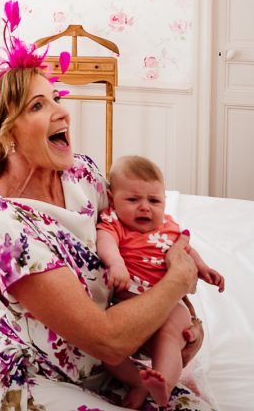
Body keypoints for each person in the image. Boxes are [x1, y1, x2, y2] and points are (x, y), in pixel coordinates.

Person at [0, 1, 210, 410]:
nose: (63, 111)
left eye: (55, 97)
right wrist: (176, 283)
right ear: (7, 133)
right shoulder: (1, 226)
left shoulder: (83, 174)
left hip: (110, 366)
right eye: (38, 106)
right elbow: (106, 337)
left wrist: (180, 320)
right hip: (37, 375)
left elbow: (136, 238)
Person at [96, 155, 225, 408]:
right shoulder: (115, 223)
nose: (145, 207)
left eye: (154, 201)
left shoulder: (168, 226)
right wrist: (117, 264)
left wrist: (204, 269)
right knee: (107, 351)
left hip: (170, 307)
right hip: (131, 305)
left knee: (170, 339)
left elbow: (186, 249)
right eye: (133, 200)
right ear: (112, 199)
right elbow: (105, 242)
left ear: (164, 202)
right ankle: (138, 382)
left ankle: (162, 386)